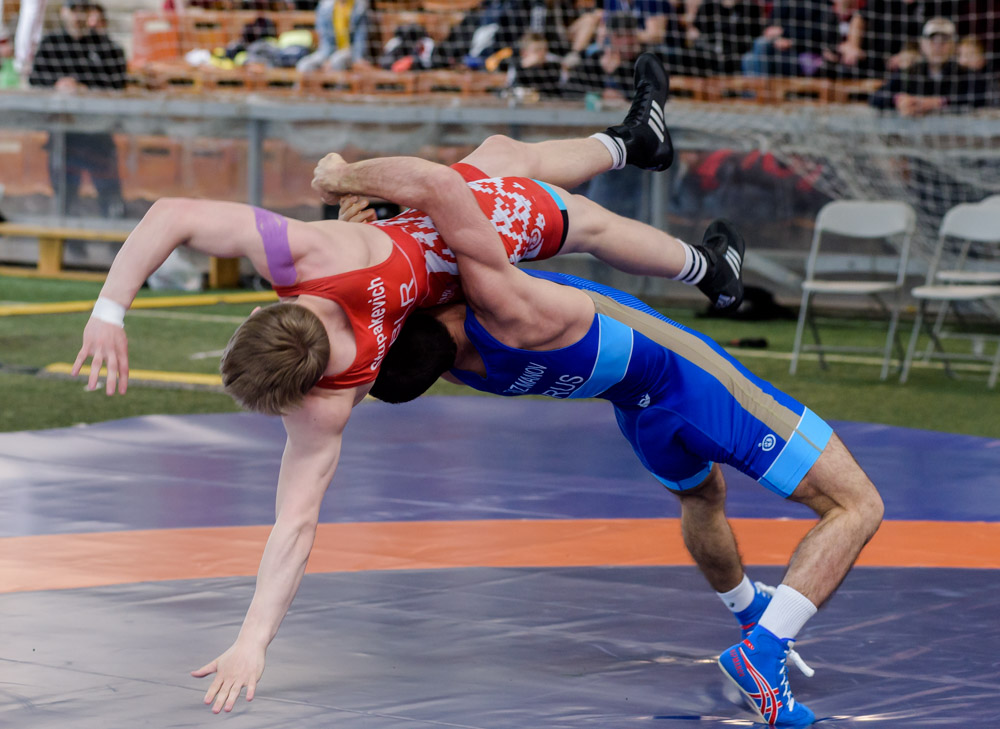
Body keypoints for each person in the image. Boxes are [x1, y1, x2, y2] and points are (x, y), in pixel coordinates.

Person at [71, 54, 745, 714]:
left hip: (452, 241)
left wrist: (253, 641)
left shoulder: (333, 395)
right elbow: (171, 214)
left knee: (520, 167)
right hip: (453, 235)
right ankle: (703, 263)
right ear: (261, 312)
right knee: (576, 216)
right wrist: (108, 312)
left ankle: (648, 169)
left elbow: (295, 525)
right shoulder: (305, 255)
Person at [327, 163, 883, 727]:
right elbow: (444, 191)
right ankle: (762, 651)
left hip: (637, 414)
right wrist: (345, 178)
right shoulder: (502, 301)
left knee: (701, 497)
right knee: (856, 505)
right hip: (691, 383)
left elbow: (392, 337)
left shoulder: (454, 369)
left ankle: (747, 609)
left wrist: (358, 231)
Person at [27, 0, 126, 218]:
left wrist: (86, 89)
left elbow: (118, 84)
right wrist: (57, 85)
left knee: (109, 192)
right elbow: (36, 80)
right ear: (64, 12)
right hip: (63, 134)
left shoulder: (107, 47)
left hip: (97, 133)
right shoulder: (51, 44)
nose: (78, 16)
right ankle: (66, 233)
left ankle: (115, 229)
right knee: (64, 194)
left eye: (83, 10)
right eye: (73, 10)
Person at [869, 17, 994, 114]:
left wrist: (940, 102)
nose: (938, 46)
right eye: (933, 40)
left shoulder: (966, 74)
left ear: (954, 45)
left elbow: (986, 96)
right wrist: (899, 100)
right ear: (922, 44)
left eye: (944, 40)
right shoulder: (911, 71)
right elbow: (876, 98)